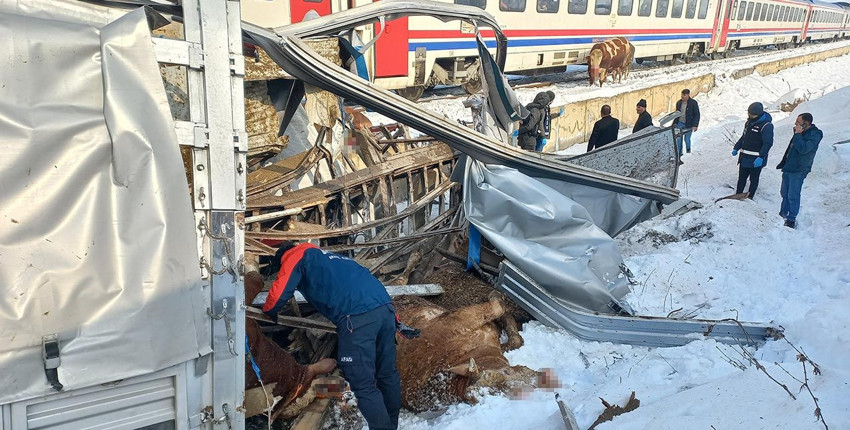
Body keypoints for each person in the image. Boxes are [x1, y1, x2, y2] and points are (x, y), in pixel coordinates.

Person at [262, 242, 402, 430]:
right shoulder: (331, 258)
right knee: (387, 374)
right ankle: (392, 425)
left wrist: (268, 312)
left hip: (357, 317)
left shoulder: (295, 255)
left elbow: (278, 294)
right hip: (385, 310)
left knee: (363, 384)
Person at [776, 112, 822, 228]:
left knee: (793, 195)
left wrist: (798, 134)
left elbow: (803, 149)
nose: (795, 124)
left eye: (798, 122)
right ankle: (782, 214)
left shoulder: (815, 134)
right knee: (784, 193)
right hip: (789, 166)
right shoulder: (800, 132)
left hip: (799, 169)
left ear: (806, 124)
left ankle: (791, 219)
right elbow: (791, 149)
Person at [731, 102, 774, 199]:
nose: (749, 115)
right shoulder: (749, 122)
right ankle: (737, 195)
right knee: (741, 178)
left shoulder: (766, 126)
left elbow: (768, 143)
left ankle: (750, 197)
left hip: (756, 160)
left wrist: (761, 157)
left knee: (753, 180)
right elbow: (744, 136)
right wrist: (737, 147)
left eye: (751, 114)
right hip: (744, 157)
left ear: (757, 114)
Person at [674, 89, 700, 161]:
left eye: (684, 95)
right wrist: (674, 124)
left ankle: (688, 151)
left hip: (689, 123)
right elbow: (676, 114)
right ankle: (679, 154)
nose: (682, 96)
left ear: (688, 95)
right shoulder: (679, 103)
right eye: (682, 94)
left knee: (687, 139)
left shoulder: (693, 103)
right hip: (680, 122)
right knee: (678, 139)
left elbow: (697, 114)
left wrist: (695, 125)